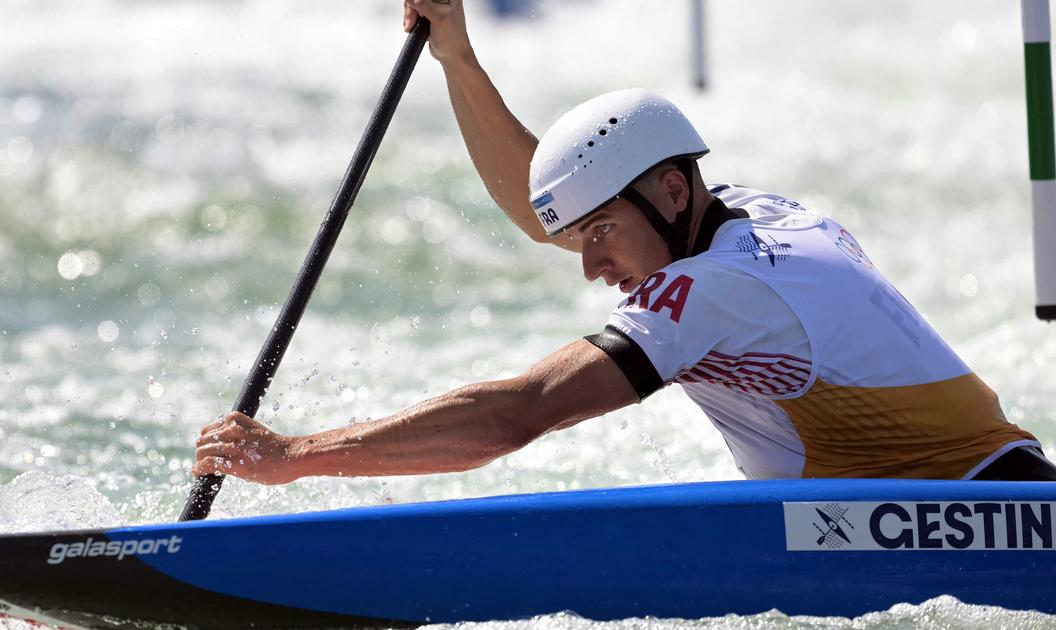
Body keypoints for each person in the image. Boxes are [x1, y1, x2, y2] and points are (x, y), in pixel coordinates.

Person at [194, 0, 1055, 483]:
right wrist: (456, 57)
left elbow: (518, 413)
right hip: (982, 499)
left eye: (601, 233)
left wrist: (296, 455)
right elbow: (549, 211)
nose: (590, 264)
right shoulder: (747, 215)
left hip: (972, 524)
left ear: (673, 191)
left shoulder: (715, 288)